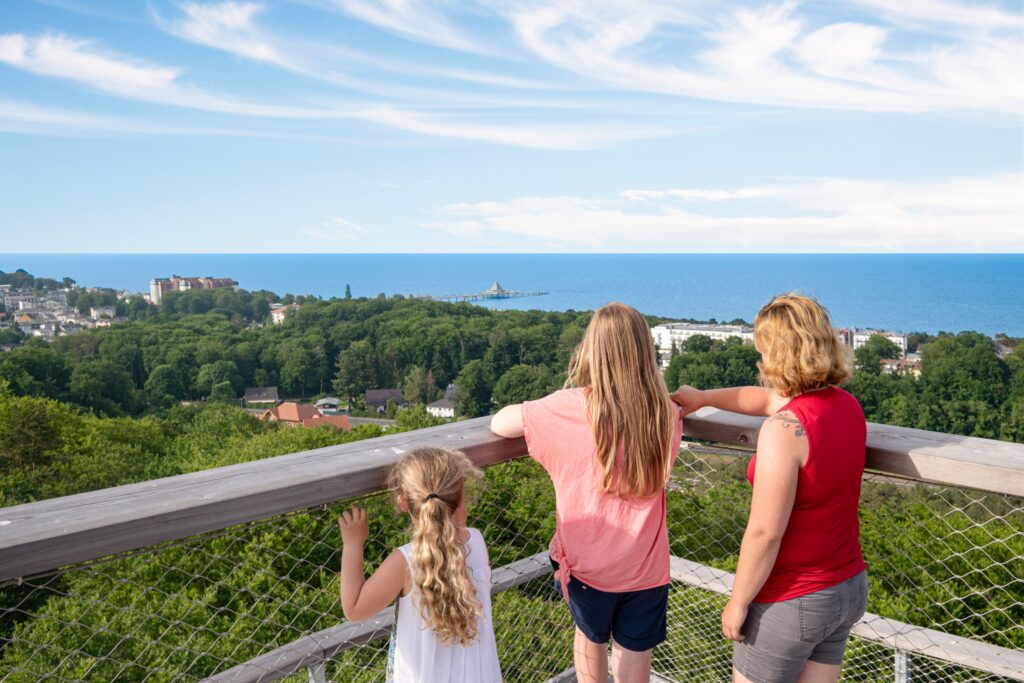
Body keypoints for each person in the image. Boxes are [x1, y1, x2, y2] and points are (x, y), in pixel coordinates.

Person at [672, 293, 868, 683]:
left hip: (793, 596)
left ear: (777, 354)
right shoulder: (846, 405)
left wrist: (738, 601)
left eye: (762, 350)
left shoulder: (784, 431)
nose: (758, 360)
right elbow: (765, 398)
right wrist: (703, 399)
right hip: (845, 588)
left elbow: (765, 533)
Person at [491, 302, 682, 683]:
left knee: (590, 639)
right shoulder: (666, 413)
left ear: (592, 351)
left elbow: (501, 422)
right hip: (646, 567)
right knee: (635, 656)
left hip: (587, 567)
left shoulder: (566, 409)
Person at [337, 447, 501, 682]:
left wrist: (353, 544)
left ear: (403, 502)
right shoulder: (476, 541)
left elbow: (354, 608)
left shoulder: (404, 562)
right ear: (460, 496)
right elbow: (457, 535)